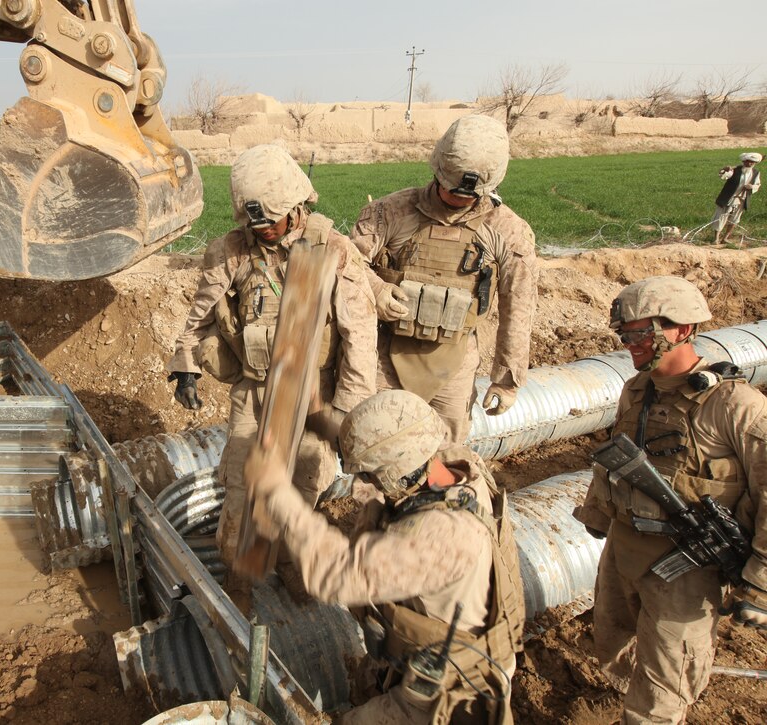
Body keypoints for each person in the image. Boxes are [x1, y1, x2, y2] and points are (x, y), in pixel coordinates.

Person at [244, 390, 525, 723]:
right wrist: (327, 426)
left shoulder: (439, 537)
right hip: (430, 652)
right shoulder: (448, 464)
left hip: (449, 687)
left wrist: (276, 493)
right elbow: (394, 447)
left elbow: (336, 573)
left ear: (395, 474)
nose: (363, 482)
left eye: (368, 475)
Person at [166, 143, 378, 568]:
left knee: (301, 491)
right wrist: (186, 367)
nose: (264, 230)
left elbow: (360, 335)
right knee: (242, 491)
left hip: (313, 397)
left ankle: (289, 569)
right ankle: (240, 580)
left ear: (296, 205)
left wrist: (348, 408)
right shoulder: (231, 251)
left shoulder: (331, 251)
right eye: (254, 222)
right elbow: (200, 315)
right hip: (253, 391)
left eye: (272, 220)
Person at [573, 276, 767, 723]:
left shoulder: (734, 406)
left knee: (665, 684)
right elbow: (614, 461)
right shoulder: (636, 390)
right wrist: (599, 515)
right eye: (625, 335)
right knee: (610, 644)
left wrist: (758, 581)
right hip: (624, 548)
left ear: (681, 329)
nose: (631, 345)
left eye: (642, 334)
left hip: (689, 566)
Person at [350, 115, 538, 444]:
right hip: (386, 358)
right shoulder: (390, 213)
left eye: (468, 195)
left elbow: (519, 307)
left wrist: (507, 380)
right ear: (437, 169)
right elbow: (345, 267)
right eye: (451, 189)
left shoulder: (508, 232)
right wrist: (376, 288)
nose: (456, 198)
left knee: (446, 455)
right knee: (378, 449)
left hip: (454, 363)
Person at [711, 152, 761, 244]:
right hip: (729, 197)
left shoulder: (756, 173)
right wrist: (724, 170)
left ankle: (725, 238)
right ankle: (716, 238)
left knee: (735, 219)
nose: (749, 164)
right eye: (747, 161)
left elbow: (757, 185)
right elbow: (723, 176)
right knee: (721, 217)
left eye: (752, 162)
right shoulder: (735, 170)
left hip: (742, 199)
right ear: (743, 161)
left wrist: (752, 187)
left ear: (755, 163)